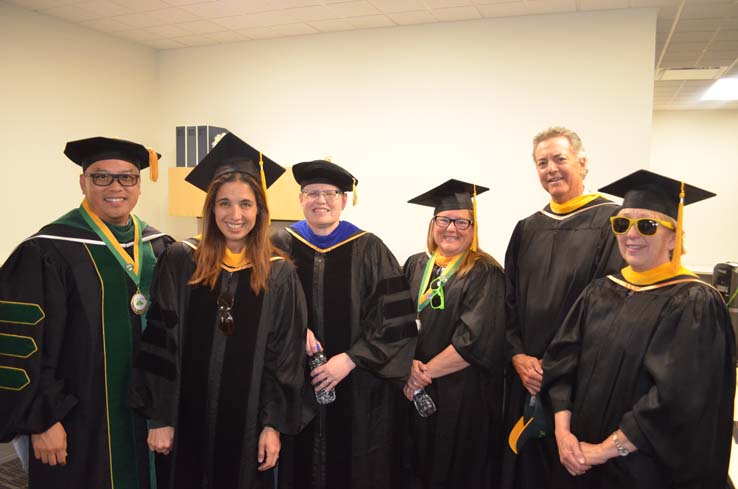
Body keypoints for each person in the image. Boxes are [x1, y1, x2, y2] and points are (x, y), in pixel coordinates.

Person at [128, 132, 308, 489]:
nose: (235, 214)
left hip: (247, 427)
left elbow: (285, 359)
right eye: (224, 203)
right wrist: (160, 417)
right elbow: (160, 339)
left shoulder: (280, 273)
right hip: (184, 416)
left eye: (245, 204)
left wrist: (272, 425)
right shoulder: (181, 260)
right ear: (210, 208)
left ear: (260, 210)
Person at [542, 169, 735, 489]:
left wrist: (602, 452)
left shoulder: (694, 302)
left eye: (647, 225)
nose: (631, 234)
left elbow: (676, 400)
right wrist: (564, 436)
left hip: (642, 472)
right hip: (579, 462)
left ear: (674, 236)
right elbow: (560, 363)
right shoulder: (599, 291)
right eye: (622, 223)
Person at [0, 136, 172, 489]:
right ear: (83, 182)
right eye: (101, 177)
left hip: (149, 419)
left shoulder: (161, 248)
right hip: (74, 420)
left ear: (139, 185)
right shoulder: (46, 251)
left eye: (126, 177)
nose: (115, 187)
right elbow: (20, 344)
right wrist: (42, 420)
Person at [274, 159, 417, 489]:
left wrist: (351, 359)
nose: (320, 200)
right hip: (295, 382)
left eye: (330, 193)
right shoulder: (280, 246)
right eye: (312, 193)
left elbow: (394, 321)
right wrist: (296, 330)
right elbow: (261, 308)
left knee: (355, 465)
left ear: (344, 199)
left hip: (358, 385)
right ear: (300, 199)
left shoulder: (370, 248)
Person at [502, 127, 624, 489]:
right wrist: (517, 355)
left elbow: (609, 310)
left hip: (580, 381)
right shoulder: (527, 228)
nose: (551, 169)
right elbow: (507, 304)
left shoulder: (611, 223)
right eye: (542, 163)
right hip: (526, 377)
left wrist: (554, 369)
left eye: (559, 159)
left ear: (582, 163)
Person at [403, 179, 506, 488]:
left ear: (473, 227)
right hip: (413, 388)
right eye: (445, 220)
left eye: (462, 221)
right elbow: (394, 323)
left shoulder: (484, 271)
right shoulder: (414, 264)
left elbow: (473, 341)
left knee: (454, 471)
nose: (452, 228)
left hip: (461, 395)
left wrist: (421, 376)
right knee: (414, 466)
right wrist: (406, 367)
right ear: (433, 223)